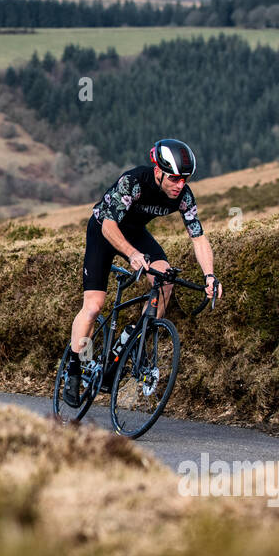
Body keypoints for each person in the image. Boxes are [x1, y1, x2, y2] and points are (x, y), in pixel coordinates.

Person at [63, 138, 222, 406]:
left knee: (165, 278)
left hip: (136, 233)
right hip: (104, 230)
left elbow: (198, 237)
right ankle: (74, 369)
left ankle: (134, 336)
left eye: (185, 179)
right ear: (158, 171)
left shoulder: (183, 195)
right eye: (173, 178)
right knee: (93, 307)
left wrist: (209, 275)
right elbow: (109, 226)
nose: (179, 185)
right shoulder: (133, 182)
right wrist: (132, 254)